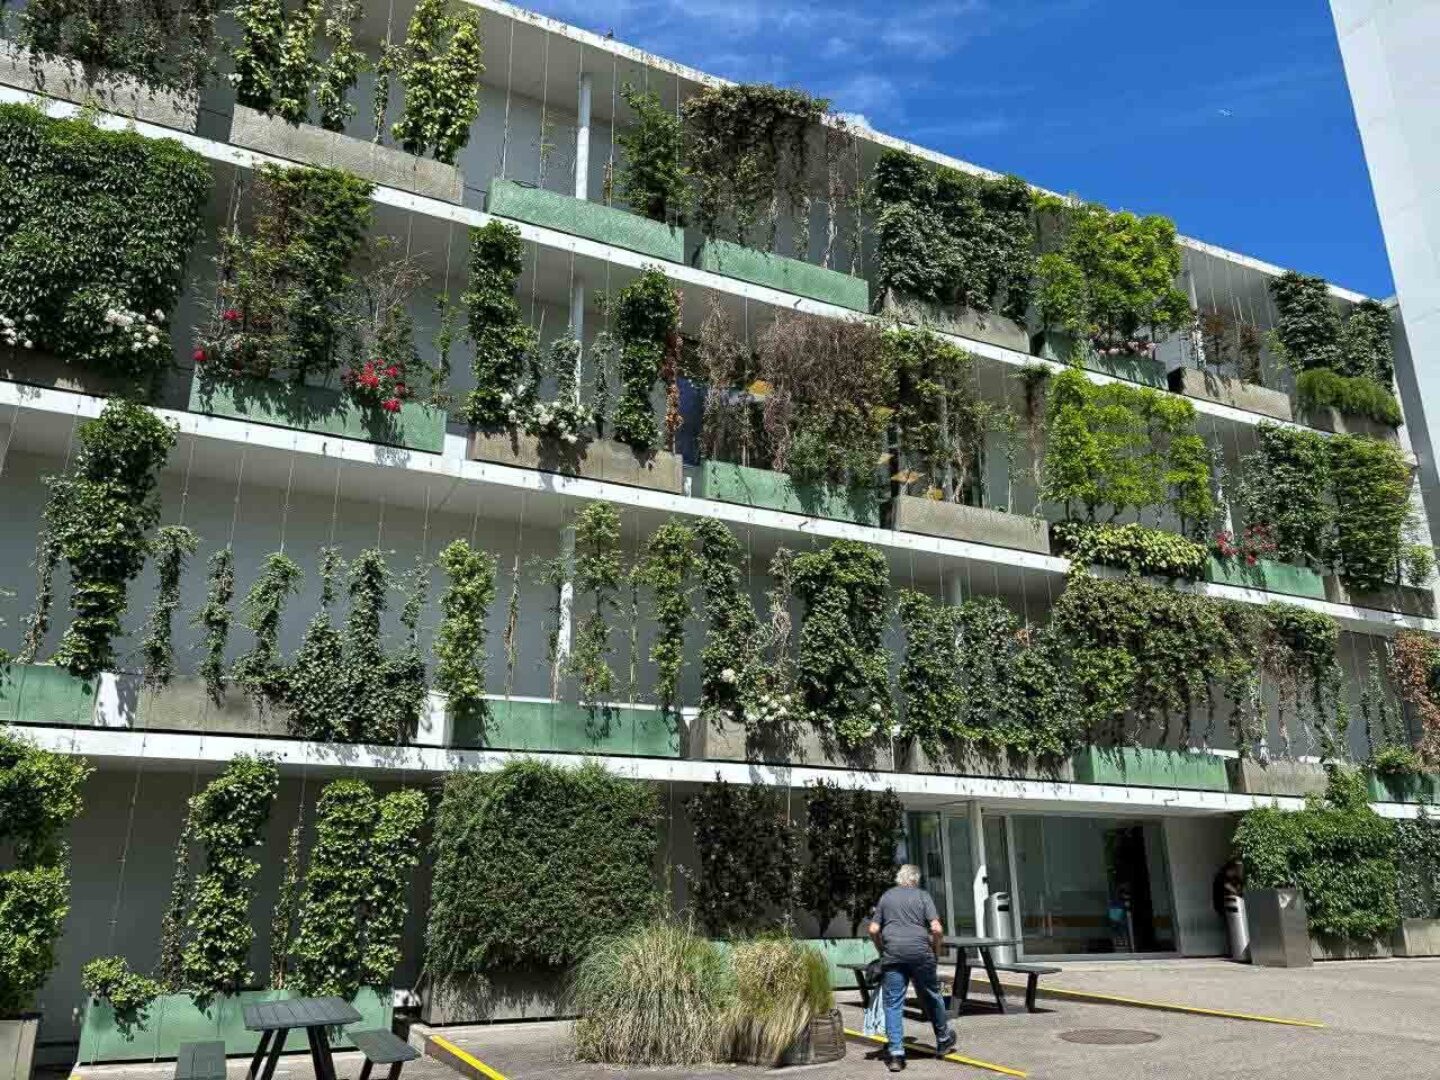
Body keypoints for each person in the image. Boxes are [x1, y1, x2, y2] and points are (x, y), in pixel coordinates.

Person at [867, 864, 957, 1071]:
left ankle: (896, 1054)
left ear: (899, 878)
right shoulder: (923, 896)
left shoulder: (887, 897)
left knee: (893, 1003)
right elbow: (936, 929)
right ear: (915, 880)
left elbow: (873, 929)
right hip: (920, 954)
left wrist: (882, 949)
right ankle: (943, 1039)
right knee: (932, 995)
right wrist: (936, 950)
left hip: (893, 956)